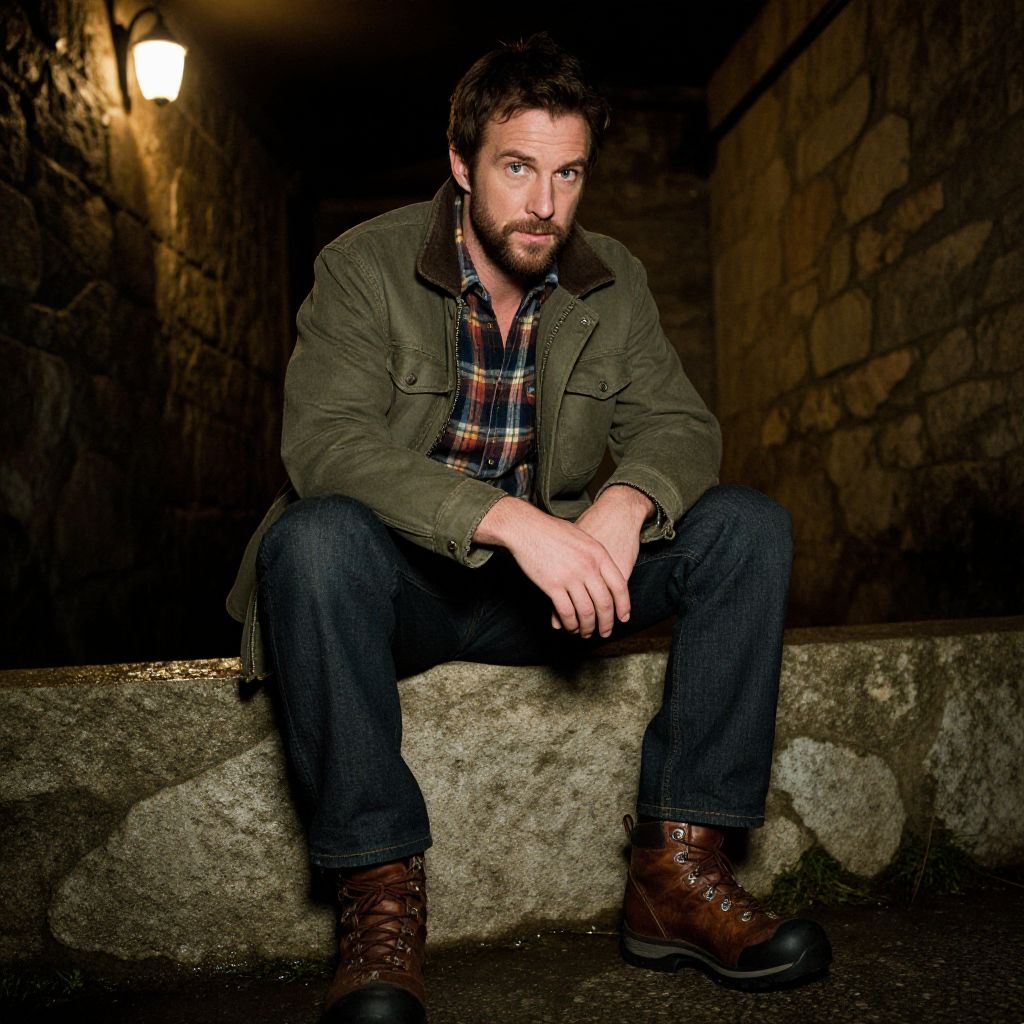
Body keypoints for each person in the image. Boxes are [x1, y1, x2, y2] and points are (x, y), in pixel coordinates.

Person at [227, 33, 831, 1024]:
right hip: (408, 590)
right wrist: (506, 519)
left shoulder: (612, 278)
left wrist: (626, 499)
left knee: (745, 526)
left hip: (547, 599)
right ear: (462, 164)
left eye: (567, 173)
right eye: (517, 168)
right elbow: (324, 444)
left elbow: (677, 423)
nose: (544, 204)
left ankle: (677, 873)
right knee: (313, 537)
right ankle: (379, 901)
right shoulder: (365, 265)